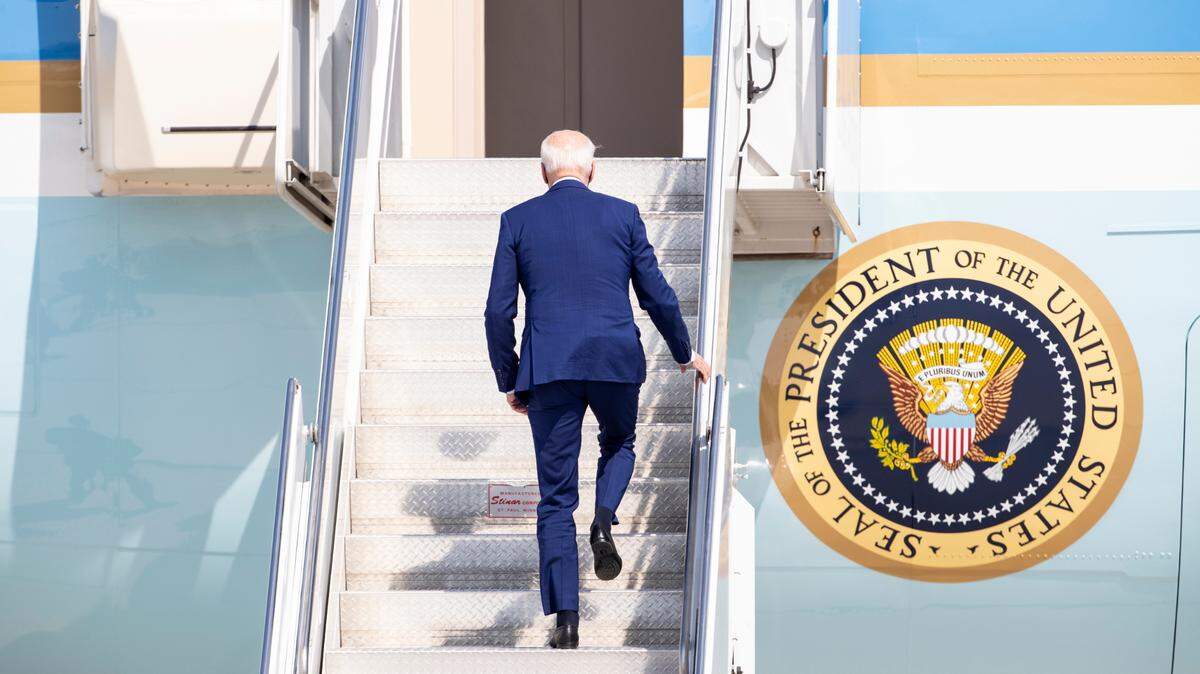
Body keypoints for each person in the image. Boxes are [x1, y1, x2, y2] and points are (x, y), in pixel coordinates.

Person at [484, 129, 710, 649]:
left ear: (543, 172)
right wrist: (684, 353)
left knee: (555, 499)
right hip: (614, 359)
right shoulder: (623, 215)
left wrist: (510, 377)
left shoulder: (517, 220)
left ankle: (566, 623)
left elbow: (498, 311)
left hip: (549, 369)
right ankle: (604, 520)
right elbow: (658, 295)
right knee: (620, 443)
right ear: (592, 170)